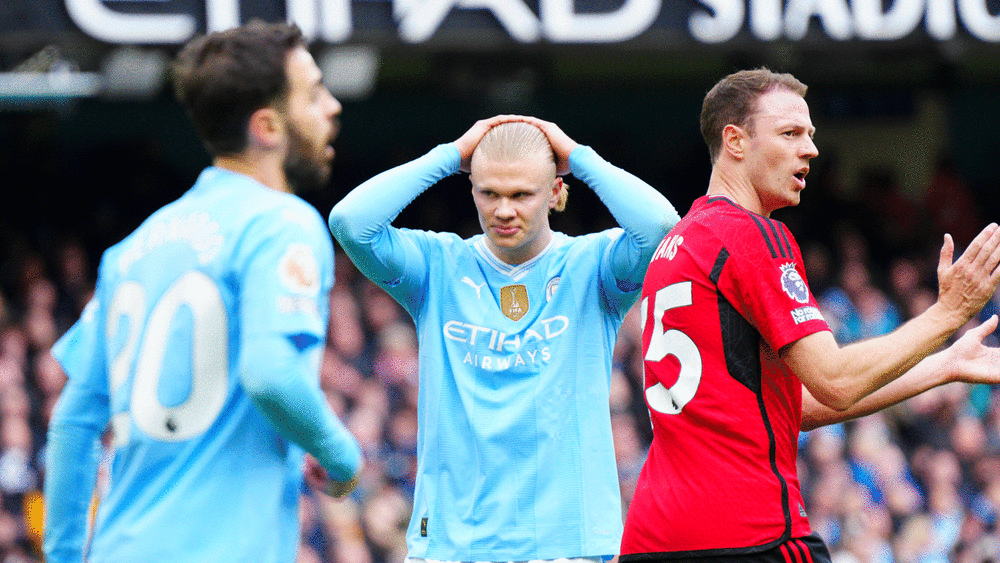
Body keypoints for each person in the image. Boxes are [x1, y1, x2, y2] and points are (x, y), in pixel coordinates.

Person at [619, 68, 1000, 562]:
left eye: (811, 135)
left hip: (655, 539)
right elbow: (835, 381)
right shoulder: (752, 236)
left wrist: (943, 365)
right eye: (790, 133)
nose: (810, 149)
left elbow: (796, 405)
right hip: (749, 534)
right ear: (734, 140)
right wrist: (948, 313)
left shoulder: (680, 243)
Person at [43, 21, 362, 563]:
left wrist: (65, 556)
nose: (332, 106)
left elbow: (74, 422)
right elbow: (271, 374)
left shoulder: (134, 249)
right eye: (314, 93)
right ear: (267, 126)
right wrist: (341, 455)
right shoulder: (279, 222)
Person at [329, 115, 679, 562]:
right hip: (455, 545)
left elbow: (660, 226)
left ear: (554, 192)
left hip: (569, 545)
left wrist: (577, 157)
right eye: (489, 193)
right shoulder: (437, 266)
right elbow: (351, 222)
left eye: (521, 195)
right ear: (471, 188)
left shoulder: (594, 267)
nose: (503, 210)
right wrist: (450, 156)